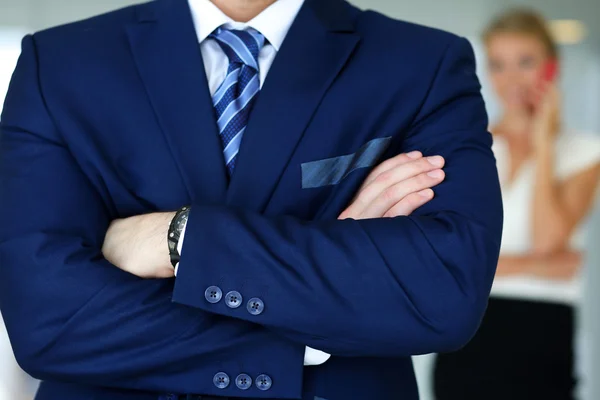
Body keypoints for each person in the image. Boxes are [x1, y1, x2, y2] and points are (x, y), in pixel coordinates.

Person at [0, 0, 503, 399]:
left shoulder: (423, 64)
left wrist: (183, 238)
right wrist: (314, 326)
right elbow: (49, 321)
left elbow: (443, 294)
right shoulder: (61, 63)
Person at [434, 9, 600, 400]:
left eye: (525, 63)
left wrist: (544, 144)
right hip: (468, 336)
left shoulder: (585, 153)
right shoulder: (466, 149)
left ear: (550, 68)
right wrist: (541, 266)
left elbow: (545, 240)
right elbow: (446, 259)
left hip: (543, 336)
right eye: (498, 65)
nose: (511, 79)